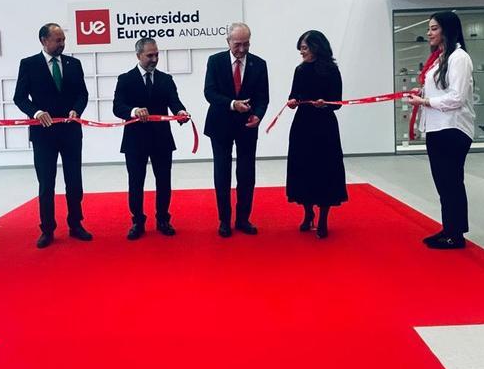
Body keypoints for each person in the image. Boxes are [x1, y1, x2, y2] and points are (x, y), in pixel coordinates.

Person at [12, 23, 93, 249]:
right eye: (57, 40)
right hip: (43, 134)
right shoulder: (28, 65)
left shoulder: (73, 64)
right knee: (46, 183)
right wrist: (36, 113)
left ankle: (76, 224)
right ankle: (47, 229)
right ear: (43, 41)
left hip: (71, 132)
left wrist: (77, 110)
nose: (62, 44)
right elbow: (19, 98)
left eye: (63, 40)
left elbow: (83, 94)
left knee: (74, 182)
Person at [405, 11, 475, 249]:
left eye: (434, 28)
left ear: (446, 30)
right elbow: (439, 91)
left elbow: (456, 97)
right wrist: (422, 95)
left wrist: (424, 102)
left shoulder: (459, 58)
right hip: (436, 127)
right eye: (429, 28)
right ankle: (449, 228)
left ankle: (456, 235)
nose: (429, 33)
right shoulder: (439, 58)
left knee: (451, 181)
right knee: (443, 183)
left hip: (453, 128)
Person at [112, 37, 190, 240]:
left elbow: (174, 101)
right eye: (150, 55)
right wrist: (134, 111)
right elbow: (117, 107)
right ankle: (137, 221)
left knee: (164, 181)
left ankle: (163, 219)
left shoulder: (166, 79)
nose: (154, 58)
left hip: (161, 139)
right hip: (135, 141)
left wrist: (181, 112)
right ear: (138, 55)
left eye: (156, 54)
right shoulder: (125, 79)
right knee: (136, 183)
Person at [203, 22, 269, 237]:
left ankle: (243, 219)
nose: (242, 49)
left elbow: (263, 97)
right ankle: (224, 220)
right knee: (222, 174)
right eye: (237, 44)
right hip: (220, 124)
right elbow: (209, 93)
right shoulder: (215, 61)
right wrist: (232, 103)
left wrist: (258, 115)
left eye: (246, 44)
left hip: (247, 126)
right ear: (228, 42)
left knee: (246, 174)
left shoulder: (259, 64)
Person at [285, 30, 347, 238]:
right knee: (303, 168)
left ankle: (323, 219)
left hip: (324, 127)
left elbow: (337, 102)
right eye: (300, 49)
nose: (301, 52)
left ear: (315, 47)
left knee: (325, 170)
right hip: (303, 125)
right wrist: (292, 101)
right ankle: (308, 212)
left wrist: (325, 104)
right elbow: (294, 95)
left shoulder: (332, 70)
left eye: (304, 48)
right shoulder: (300, 70)